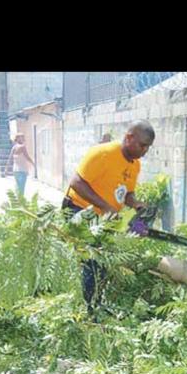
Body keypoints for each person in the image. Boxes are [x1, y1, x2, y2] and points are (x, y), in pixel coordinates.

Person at [61, 120, 154, 310]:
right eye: (142, 145)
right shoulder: (103, 153)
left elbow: (127, 193)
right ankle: (89, 309)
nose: (145, 151)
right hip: (79, 209)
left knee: (105, 260)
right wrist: (105, 206)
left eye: (148, 147)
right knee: (93, 260)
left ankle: (97, 302)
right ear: (129, 138)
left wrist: (135, 203)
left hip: (105, 217)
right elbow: (76, 182)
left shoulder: (135, 165)